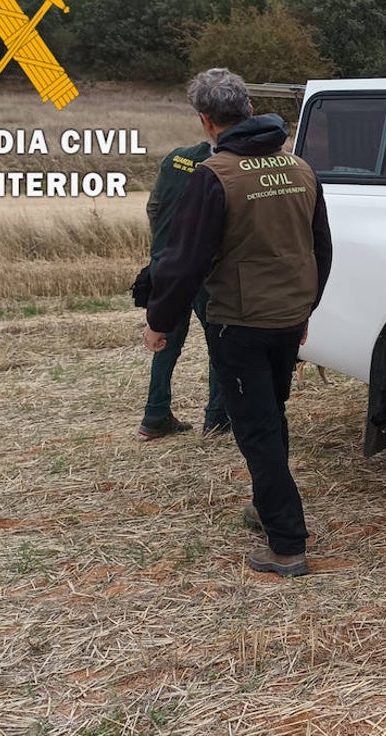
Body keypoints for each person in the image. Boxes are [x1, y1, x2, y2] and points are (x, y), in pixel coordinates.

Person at [143, 68, 332, 577]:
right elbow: (321, 249)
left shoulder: (215, 175)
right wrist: (307, 309)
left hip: (240, 323)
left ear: (207, 121)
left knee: (257, 429)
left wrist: (159, 319)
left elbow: (185, 262)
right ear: (249, 109)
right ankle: (263, 503)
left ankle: (287, 543)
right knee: (271, 414)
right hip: (289, 317)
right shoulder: (299, 168)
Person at [138, 141, 231, 439]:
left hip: (165, 266)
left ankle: (155, 415)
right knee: (219, 342)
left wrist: (165, 249)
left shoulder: (175, 158)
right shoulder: (226, 165)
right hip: (204, 271)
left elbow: (154, 207)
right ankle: (217, 418)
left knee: (164, 340)